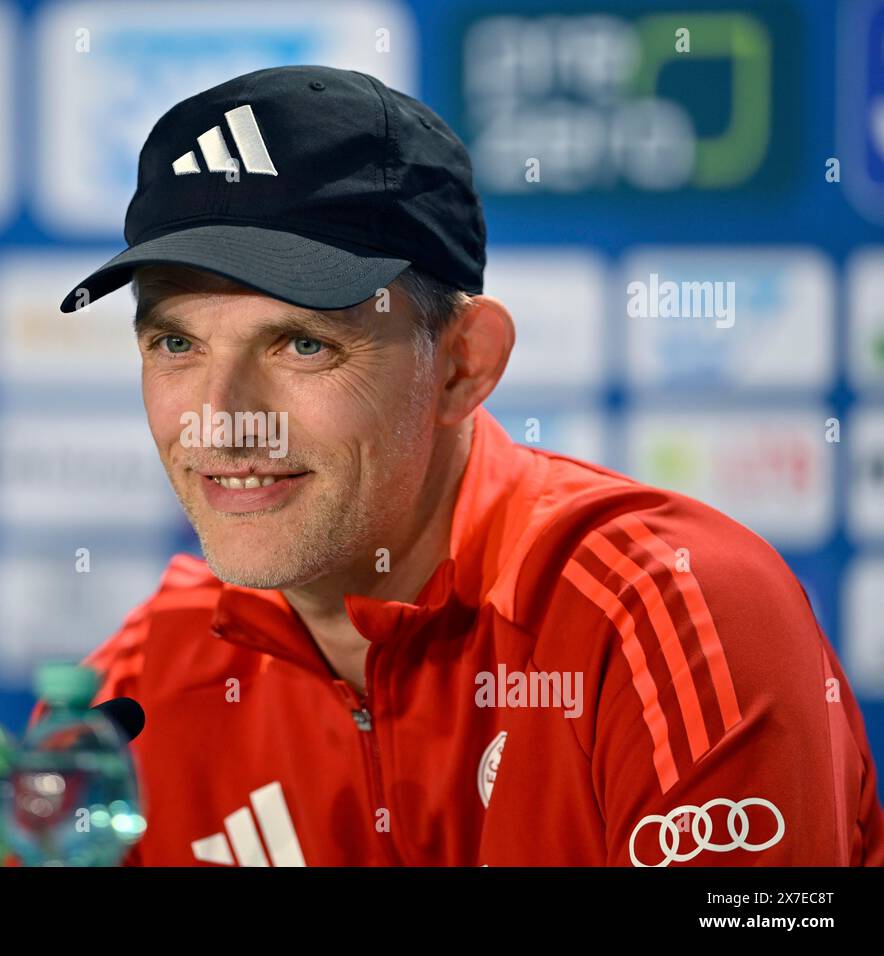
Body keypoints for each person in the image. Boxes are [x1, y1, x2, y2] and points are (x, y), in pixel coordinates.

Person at [44, 64, 884, 866]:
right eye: (177, 343)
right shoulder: (132, 699)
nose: (222, 420)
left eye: (303, 344)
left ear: (462, 365)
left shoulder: (670, 612)